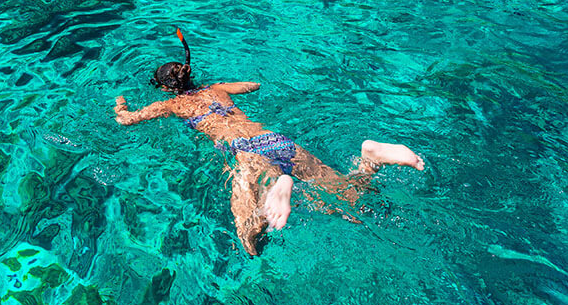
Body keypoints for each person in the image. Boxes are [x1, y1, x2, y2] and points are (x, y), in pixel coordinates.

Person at [113, 28, 425, 255]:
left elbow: (128, 121)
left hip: (245, 154)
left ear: (167, 89)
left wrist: (121, 106)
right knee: (349, 195)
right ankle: (369, 159)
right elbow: (253, 85)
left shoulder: (171, 105)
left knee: (248, 240)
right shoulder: (218, 89)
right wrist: (222, 86)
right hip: (272, 139)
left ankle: (279, 188)